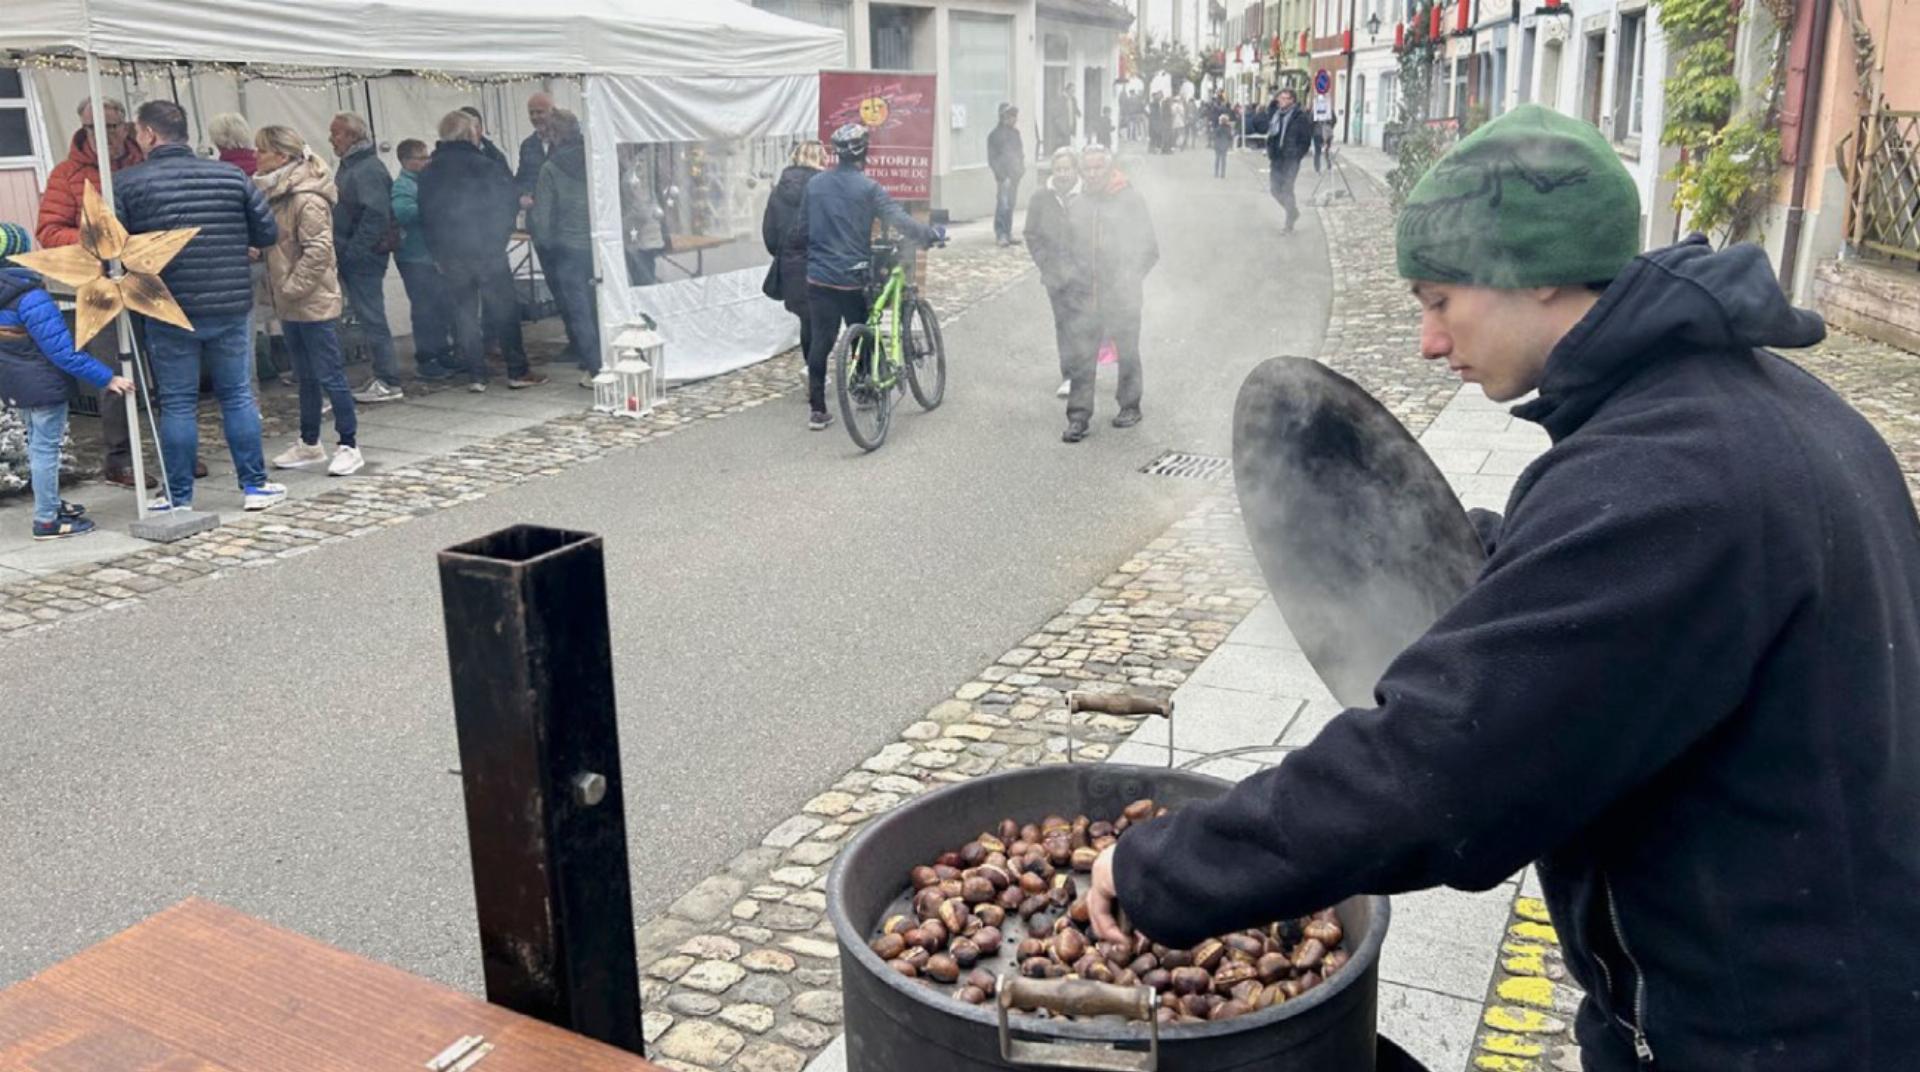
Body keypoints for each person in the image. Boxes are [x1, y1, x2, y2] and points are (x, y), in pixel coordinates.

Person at [1088, 104, 1920, 1072]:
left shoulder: (1670, 479)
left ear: (1540, 277)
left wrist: (1160, 870)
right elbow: (1614, 614)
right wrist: (1457, 552)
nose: (1429, 341)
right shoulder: (1737, 410)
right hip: (1766, 975)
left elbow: (1440, 770)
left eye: (1440, 298)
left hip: (1771, 1030)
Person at [115, 99, 285, 513]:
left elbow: (114, 249)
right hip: (229, 300)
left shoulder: (126, 183)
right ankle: (254, 486)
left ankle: (177, 496)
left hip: (166, 304)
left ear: (150, 134)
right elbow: (267, 232)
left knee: (177, 401)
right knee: (237, 395)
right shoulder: (230, 175)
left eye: (137, 131)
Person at [34, 96, 145, 489]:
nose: (106, 135)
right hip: (98, 284)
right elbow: (48, 231)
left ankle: (169, 451)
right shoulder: (66, 175)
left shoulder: (142, 161)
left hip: (146, 277)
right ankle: (119, 458)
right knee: (113, 372)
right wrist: (94, 239)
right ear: (84, 129)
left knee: (160, 369)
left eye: (112, 126)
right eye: (95, 128)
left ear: (126, 127)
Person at [802, 122, 942, 432]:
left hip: (819, 276)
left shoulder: (814, 185)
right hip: (852, 276)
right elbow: (899, 220)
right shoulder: (868, 188)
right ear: (864, 152)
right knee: (866, 329)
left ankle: (817, 410)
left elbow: (802, 228)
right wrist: (928, 234)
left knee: (821, 340)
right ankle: (864, 389)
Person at [0, 224, 136, 539]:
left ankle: (49, 503)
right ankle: (47, 520)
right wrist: (108, 377)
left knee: (37, 446)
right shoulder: (29, 297)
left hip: (15, 384)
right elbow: (63, 353)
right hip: (42, 385)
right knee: (46, 449)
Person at [252, 126, 363, 478]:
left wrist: (289, 286)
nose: (256, 156)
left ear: (281, 157)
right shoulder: (277, 194)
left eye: (262, 151)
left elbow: (318, 252)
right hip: (291, 300)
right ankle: (310, 441)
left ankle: (349, 444)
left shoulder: (306, 197)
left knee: (330, 373)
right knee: (305, 376)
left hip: (311, 299)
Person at [418, 109, 546, 393]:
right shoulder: (485, 165)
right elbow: (505, 204)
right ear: (471, 133)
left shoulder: (429, 171)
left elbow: (426, 216)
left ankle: (477, 374)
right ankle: (517, 370)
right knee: (504, 311)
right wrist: (498, 239)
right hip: (487, 250)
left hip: (450, 253)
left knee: (464, 313)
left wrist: (437, 253)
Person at [1059, 144, 1155, 443]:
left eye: (1098, 167)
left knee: (1127, 352)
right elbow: (1067, 248)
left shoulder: (1130, 200)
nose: (1092, 173)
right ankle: (1078, 416)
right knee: (1082, 356)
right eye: (1087, 168)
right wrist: (1069, 279)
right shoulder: (1078, 204)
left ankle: (1130, 405)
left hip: (1122, 295)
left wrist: (1128, 278)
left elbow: (1149, 250)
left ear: (1109, 168)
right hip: (1086, 296)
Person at [327, 112, 402, 403]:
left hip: (362, 256)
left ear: (352, 136)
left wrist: (354, 251)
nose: (331, 139)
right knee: (367, 316)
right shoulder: (352, 166)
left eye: (336, 133)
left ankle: (388, 379)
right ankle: (382, 375)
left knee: (372, 316)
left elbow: (376, 214)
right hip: (353, 251)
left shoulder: (366, 168)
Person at [529, 110, 601, 387]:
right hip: (597, 243)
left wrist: (545, 243)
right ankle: (611, 358)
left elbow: (542, 216)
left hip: (567, 248)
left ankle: (595, 368)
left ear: (555, 135)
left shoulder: (551, 168)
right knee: (600, 305)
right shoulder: (595, 159)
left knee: (578, 309)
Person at [760, 140, 828, 403]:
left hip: (791, 264)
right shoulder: (824, 187)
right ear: (819, 158)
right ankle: (817, 376)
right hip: (822, 261)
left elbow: (769, 234)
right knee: (828, 321)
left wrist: (786, 253)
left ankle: (813, 371)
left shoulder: (779, 190)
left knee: (808, 321)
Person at [391, 139, 457, 380]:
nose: (427, 161)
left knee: (439, 306)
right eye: (421, 158)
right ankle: (426, 357)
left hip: (431, 256)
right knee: (424, 309)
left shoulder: (426, 182)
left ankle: (442, 350)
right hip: (413, 256)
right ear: (407, 161)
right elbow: (403, 212)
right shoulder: (403, 186)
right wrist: (432, 208)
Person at [1022, 147, 1080, 403]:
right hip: (1055, 274)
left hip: (1085, 273)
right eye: (1058, 169)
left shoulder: (1087, 194)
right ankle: (1069, 374)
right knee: (1064, 323)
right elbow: (1031, 234)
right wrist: (1045, 263)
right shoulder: (1040, 198)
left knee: (1088, 322)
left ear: (1075, 170)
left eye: (1067, 169)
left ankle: (1085, 371)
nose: (1063, 174)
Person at [1265, 88, 1312, 234]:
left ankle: (1289, 224)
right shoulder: (1276, 115)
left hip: (1291, 159)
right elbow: (1271, 134)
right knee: (1274, 189)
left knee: (1287, 189)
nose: (1282, 101)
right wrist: (1270, 151)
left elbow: (1305, 140)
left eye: (1285, 98)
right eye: (1280, 98)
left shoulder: (1300, 117)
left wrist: (1297, 155)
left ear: (1292, 100)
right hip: (1277, 157)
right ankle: (1293, 212)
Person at [987, 103, 1025, 248]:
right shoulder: (994, 136)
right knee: (1002, 205)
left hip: (1015, 176)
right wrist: (1002, 176)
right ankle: (1001, 234)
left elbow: (1020, 154)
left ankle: (1008, 233)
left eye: (1015, 116)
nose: (1014, 119)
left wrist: (1021, 170)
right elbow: (992, 159)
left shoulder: (1016, 134)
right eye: (1010, 116)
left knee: (1011, 205)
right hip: (1003, 178)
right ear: (1003, 117)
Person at [516, 92, 555, 209]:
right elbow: (521, 178)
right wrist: (521, 195)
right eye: (531, 113)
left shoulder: (565, 142)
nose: (534, 117)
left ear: (552, 113)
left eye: (539, 112)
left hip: (563, 215)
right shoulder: (527, 145)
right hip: (537, 212)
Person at [1310, 91, 1335, 173]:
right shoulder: (1329, 109)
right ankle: (1329, 166)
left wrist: (1312, 130)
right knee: (1327, 150)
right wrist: (1330, 126)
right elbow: (1334, 119)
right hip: (1327, 132)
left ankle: (1317, 168)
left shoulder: (1315, 110)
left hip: (1317, 133)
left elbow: (1310, 121)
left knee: (1317, 151)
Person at [1211, 113, 1234, 179]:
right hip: (1224, 145)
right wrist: (1230, 145)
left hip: (1218, 145)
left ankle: (1216, 173)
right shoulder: (1228, 129)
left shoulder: (1218, 128)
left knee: (1217, 159)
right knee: (1223, 160)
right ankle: (1223, 174)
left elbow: (1214, 136)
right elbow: (1230, 137)